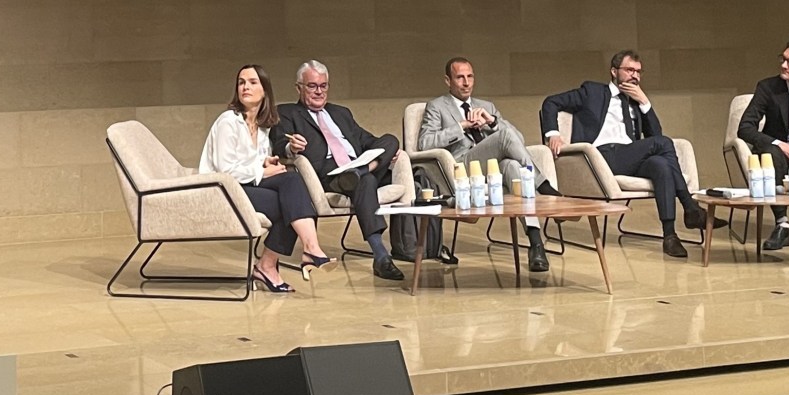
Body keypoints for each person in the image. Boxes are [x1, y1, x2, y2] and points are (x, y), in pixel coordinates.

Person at [541, 49, 717, 259]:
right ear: (614, 72)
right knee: (664, 144)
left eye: (639, 72)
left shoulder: (635, 101)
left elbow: (655, 135)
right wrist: (553, 134)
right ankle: (690, 207)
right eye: (630, 70)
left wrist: (645, 103)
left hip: (628, 156)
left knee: (661, 164)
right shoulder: (592, 91)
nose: (635, 75)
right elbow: (550, 102)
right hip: (601, 157)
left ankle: (670, 236)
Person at [199, 64, 335, 293]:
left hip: (246, 186)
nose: (245, 87)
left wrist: (267, 164)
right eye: (242, 82)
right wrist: (262, 172)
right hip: (222, 190)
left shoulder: (263, 129)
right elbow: (226, 171)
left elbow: (254, 163)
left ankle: (282, 260)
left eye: (252, 82)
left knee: (292, 185)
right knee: (291, 203)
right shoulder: (228, 122)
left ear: (265, 91)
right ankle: (293, 255)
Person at [420, 57, 559, 273]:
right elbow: (424, 143)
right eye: (460, 77)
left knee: (513, 166)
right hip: (462, 167)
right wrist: (462, 126)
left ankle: (536, 245)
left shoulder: (486, 106)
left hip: (492, 169)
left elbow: (517, 140)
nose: (466, 82)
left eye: (470, 76)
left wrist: (492, 121)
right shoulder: (437, 106)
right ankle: (542, 184)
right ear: (448, 80)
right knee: (504, 138)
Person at [273, 60, 405, 282]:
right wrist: (290, 146)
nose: (319, 91)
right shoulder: (287, 113)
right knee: (367, 181)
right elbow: (278, 144)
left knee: (390, 140)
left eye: (323, 86)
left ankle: (361, 171)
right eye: (312, 86)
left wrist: (382, 152)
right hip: (329, 176)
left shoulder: (341, 113)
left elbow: (369, 141)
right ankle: (381, 255)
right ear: (299, 88)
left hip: (357, 167)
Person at [737, 40, 789, 250]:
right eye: (783, 59)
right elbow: (745, 128)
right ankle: (782, 224)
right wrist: (780, 144)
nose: (784, 66)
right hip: (777, 152)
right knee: (772, 153)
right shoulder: (768, 87)